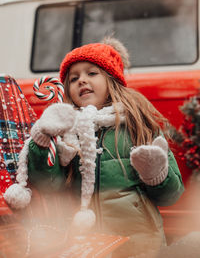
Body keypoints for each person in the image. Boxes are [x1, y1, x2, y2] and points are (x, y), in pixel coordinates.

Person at [7, 37, 184, 257]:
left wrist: (157, 176)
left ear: (112, 81)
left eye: (92, 73)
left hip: (139, 245)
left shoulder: (138, 125)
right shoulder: (66, 132)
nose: (81, 80)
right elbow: (49, 186)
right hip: (84, 246)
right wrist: (43, 141)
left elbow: (170, 196)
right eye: (74, 78)